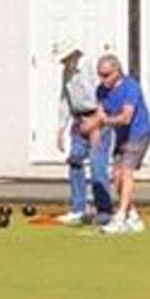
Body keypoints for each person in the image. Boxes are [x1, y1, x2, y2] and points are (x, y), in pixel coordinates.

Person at [92, 52, 150, 234]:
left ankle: (119, 218)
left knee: (126, 172)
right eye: (100, 74)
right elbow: (100, 114)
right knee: (117, 177)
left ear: (117, 71)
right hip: (122, 137)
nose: (102, 79)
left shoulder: (131, 87)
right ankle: (132, 216)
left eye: (106, 75)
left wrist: (104, 121)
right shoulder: (100, 90)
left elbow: (126, 118)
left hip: (139, 133)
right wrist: (95, 129)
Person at [56, 47, 107, 224]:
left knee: (97, 164)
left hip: (96, 118)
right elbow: (65, 99)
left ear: (76, 55)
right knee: (75, 160)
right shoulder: (66, 72)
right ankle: (78, 209)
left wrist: (97, 122)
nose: (64, 63)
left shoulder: (91, 67)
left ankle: (103, 211)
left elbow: (103, 96)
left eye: (66, 59)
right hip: (78, 120)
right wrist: (61, 129)